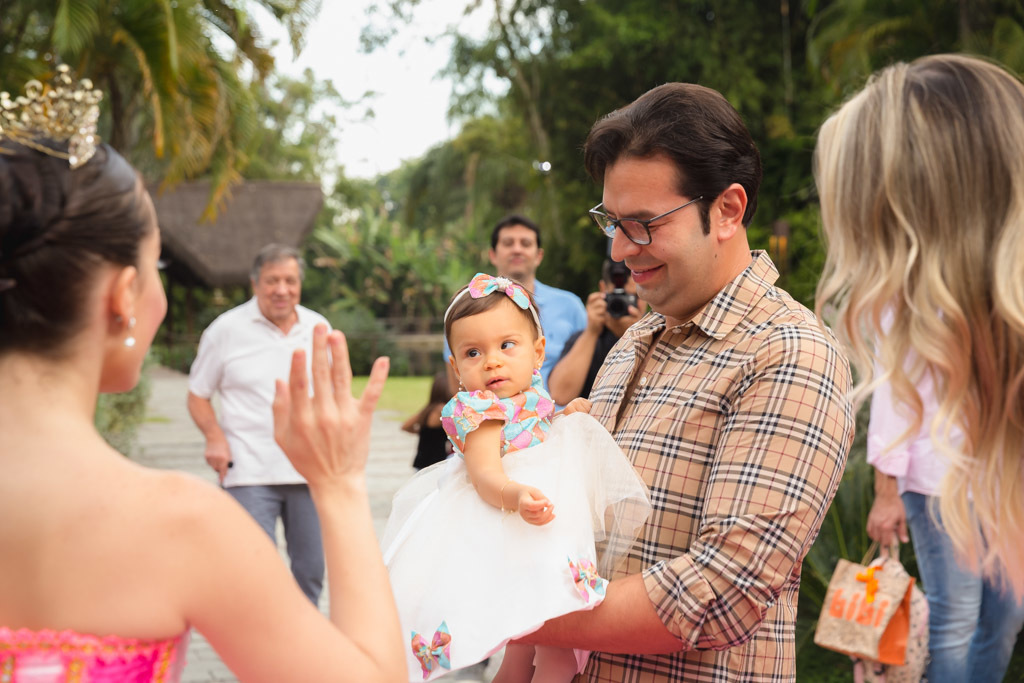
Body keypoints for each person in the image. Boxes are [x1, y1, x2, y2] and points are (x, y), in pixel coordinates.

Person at [0, 68, 403, 682]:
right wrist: (342, 482)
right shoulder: (180, 526)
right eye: (155, 261)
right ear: (124, 293)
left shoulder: (314, 327)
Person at [519, 83, 855, 682]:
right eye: (613, 223)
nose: (622, 249)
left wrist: (513, 613)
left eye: (644, 224)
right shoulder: (632, 344)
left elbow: (722, 590)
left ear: (726, 210)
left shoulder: (787, 352)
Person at [815, 54, 1024, 679]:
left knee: (1002, 616)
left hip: (974, 478)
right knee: (957, 620)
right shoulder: (900, 308)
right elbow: (897, 407)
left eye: (875, 231)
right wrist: (889, 493)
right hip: (935, 481)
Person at [381, 273, 650, 682]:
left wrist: (565, 417)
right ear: (455, 367)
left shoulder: (531, 399)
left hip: (533, 526)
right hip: (510, 523)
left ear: (537, 351)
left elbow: (537, 435)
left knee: (529, 641)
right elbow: (486, 473)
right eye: (473, 352)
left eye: (507, 346)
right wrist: (517, 493)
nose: (492, 361)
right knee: (552, 640)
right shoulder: (482, 412)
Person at [187, 243, 330, 604]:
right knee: (257, 574)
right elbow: (197, 394)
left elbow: (328, 393)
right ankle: (266, 655)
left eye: (289, 280)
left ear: (299, 284)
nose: (281, 289)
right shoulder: (225, 330)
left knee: (311, 571)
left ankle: (305, 651)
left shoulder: (318, 327)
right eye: (272, 281)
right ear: (255, 283)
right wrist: (215, 437)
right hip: (248, 471)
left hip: (307, 469)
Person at [443, 215, 587, 394]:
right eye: (508, 243)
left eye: (525, 243)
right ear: (492, 255)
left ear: (539, 255)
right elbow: (456, 387)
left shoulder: (570, 305)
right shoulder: (466, 312)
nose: (517, 249)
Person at [547, 259, 645, 405]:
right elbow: (559, 395)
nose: (623, 305)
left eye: (632, 298)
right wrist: (591, 332)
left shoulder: (660, 339)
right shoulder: (584, 340)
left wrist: (635, 335)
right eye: (618, 296)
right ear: (602, 289)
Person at [402, 370, 451, 470]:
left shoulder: (427, 409)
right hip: (435, 463)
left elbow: (405, 426)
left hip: (421, 461)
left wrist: (423, 433)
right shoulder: (443, 410)